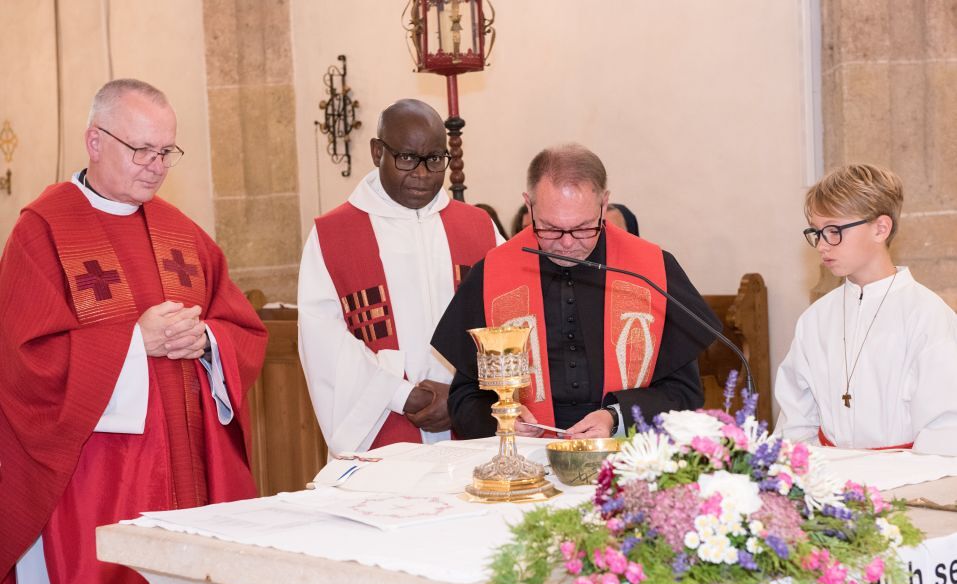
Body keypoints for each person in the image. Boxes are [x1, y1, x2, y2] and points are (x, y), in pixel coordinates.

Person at [0, 79, 267, 584]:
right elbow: (24, 362)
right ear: (94, 141)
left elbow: (242, 328)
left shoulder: (180, 231)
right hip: (94, 484)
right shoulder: (43, 232)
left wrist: (207, 342)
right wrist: (131, 344)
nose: (156, 166)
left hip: (189, 475)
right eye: (142, 150)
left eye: (166, 151)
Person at [432, 144, 719, 439]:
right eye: (550, 228)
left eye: (582, 228)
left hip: (625, 453)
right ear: (529, 205)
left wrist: (615, 418)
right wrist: (503, 419)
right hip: (525, 457)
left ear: (604, 205)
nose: (567, 244)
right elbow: (464, 399)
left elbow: (684, 393)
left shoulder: (651, 269)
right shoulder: (494, 273)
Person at [298, 99, 502, 455]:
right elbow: (322, 339)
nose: (422, 174)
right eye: (407, 158)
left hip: (471, 430)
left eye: (435, 159)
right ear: (377, 152)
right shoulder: (333, 235)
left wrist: (462, 397)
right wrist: (401, 394)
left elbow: (507, 321)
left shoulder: (480, 228)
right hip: (383, 423)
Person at [775, 164, 957, 454]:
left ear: (880, 228)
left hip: (907, 474)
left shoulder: (928, 317)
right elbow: (796, 422)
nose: (822, 245)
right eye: (817, 233)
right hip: (829, 473)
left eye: (834, 231)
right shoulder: (815, 318)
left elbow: (946, 430)